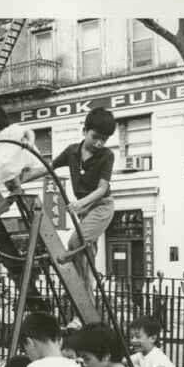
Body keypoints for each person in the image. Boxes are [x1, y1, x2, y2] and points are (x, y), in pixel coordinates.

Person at [22, 107, 118, 318]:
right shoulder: (72, 152)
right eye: (95, 137)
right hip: (84, 209)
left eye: (104, 139)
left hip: (101, 206)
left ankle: (85, 306)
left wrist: (81, 202)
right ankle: (86, 310)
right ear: (84, 131)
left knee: (76, 243)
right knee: (85, 259)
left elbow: (102, 188)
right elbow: (49, 167)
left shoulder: (106, 156)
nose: (99, 143)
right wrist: (21, 180)